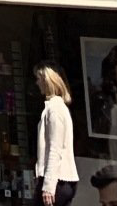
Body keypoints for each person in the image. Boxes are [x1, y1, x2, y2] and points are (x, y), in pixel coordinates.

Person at [34, 64, 79, 206]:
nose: (37, 83)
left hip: (57, 180)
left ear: (47, 81)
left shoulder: (54, 110)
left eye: (39, 78)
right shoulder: (58, 108)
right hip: (61, 180)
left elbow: (55, 148)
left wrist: (48, 186)